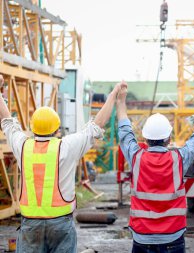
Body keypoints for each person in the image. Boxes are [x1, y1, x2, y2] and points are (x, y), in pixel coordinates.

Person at [0, 74, 127, 253]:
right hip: (60, 224)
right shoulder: (66, 147)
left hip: (30, 224)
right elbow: (96, 126)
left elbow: (7, 122)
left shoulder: (23, 146)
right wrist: (114, 94)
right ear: (57, 129)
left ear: (33, 127)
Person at [116, 82, 194, 253]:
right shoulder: (178, 159)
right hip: (173, 237)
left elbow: (124, 132)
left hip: (142, 237)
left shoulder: (136, 158)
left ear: (145, 138)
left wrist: (120, 102)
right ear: (169, 138)